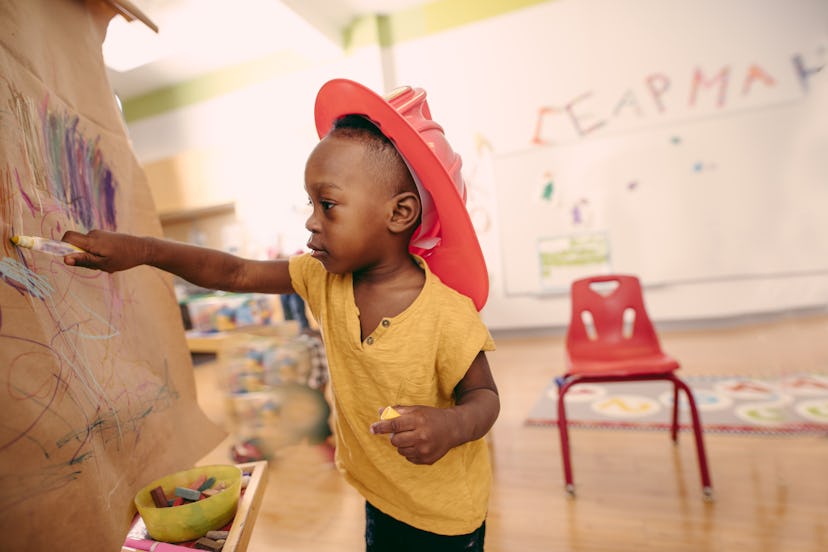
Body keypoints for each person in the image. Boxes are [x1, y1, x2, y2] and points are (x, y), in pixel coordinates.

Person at [62, 78, 499, 551]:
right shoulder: (322, 278)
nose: (312, 220)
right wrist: (142, 249)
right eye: (312, 204)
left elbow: (484, 397)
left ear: (400, 213)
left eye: (328, 205)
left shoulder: (447, 313)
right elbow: (233, 272)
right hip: (382, 495)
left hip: (446, 517)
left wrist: (450, 425)